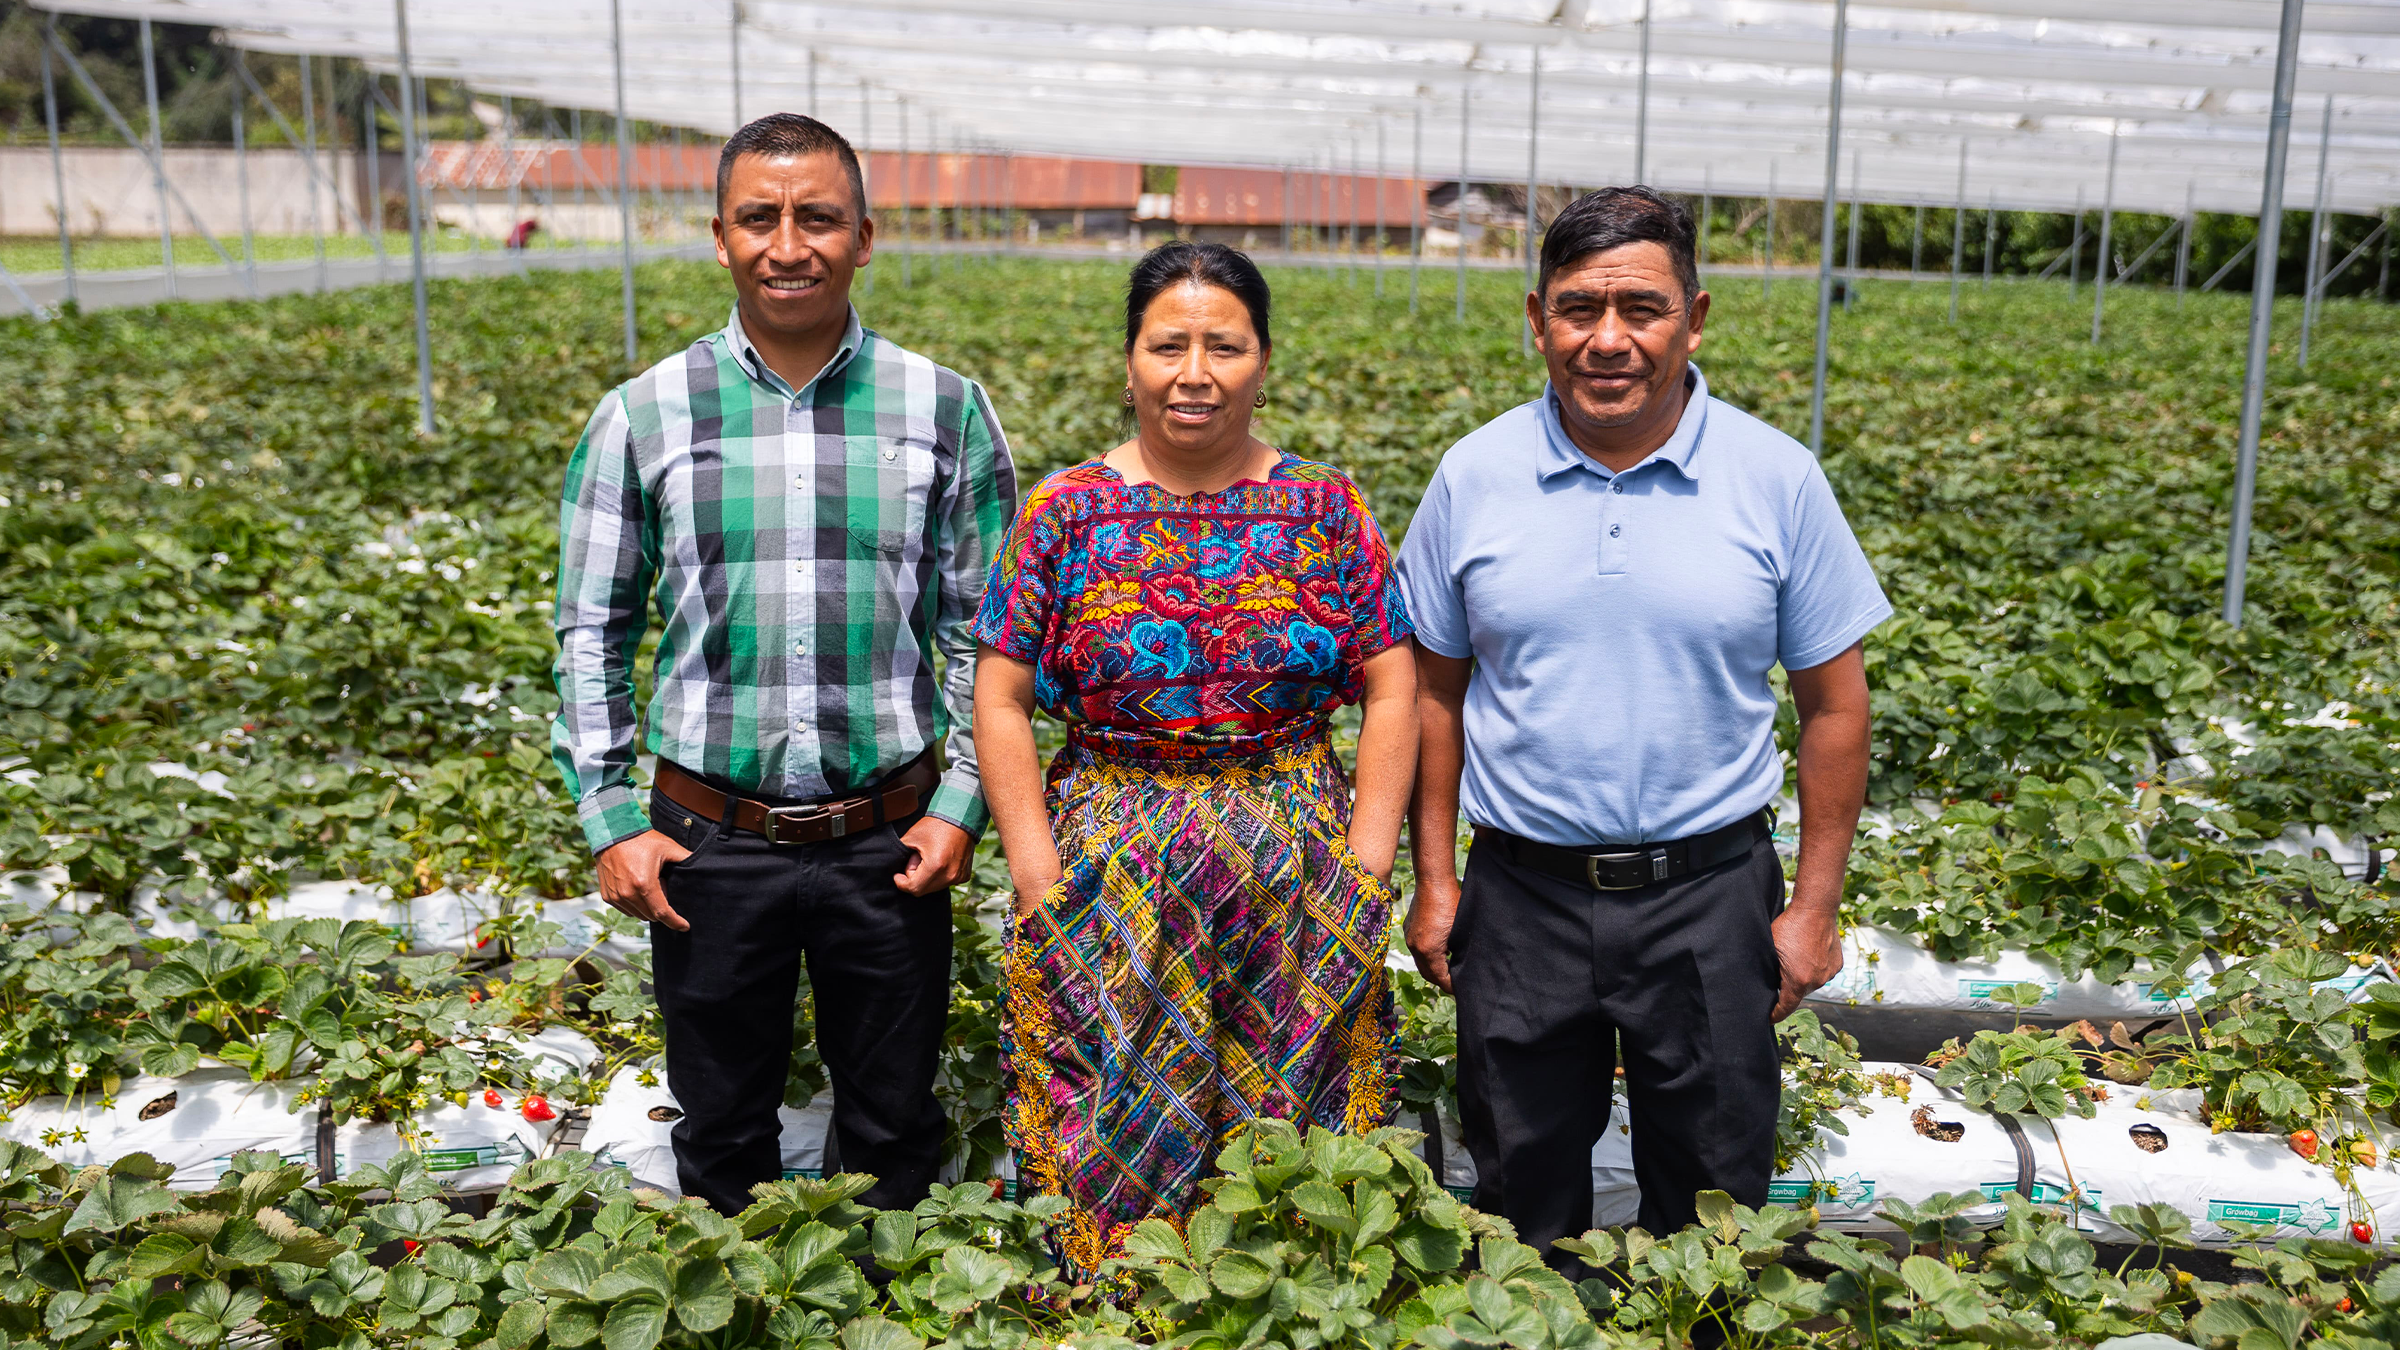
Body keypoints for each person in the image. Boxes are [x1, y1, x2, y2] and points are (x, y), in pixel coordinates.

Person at [1394, 188, 1887, 1258]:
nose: (1607, 339)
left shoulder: (1776, 479)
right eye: (1579, 309)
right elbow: (1432, 690)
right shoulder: (1474, 476)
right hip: (1521, 896)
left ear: (1694, 318)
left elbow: (1834, 708)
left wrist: (1811, 908)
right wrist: (1437, 885)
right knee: (1519, 1195)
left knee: (1712, 1197)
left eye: (1641, 309)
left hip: (1708, 898)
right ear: (1538, 320)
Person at [551, 113, 1018, 1215]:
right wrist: (611, 817)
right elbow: (590, 631)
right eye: (760, 218)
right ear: (720, 237)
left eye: (817, 217)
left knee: (895, 1128)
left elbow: (985, 630)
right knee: (718, 1134)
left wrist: (958, 803)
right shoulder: (644, 414)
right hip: (707, 839)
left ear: (866, 235)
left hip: (889, 838)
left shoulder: (944, 408)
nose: (788, 243)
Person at [973, 242, 1417, 1271]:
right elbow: (1001, 696)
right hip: (1111, 868)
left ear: (1263, 361)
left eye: (1225, 345)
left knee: (1293, 1145)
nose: (1195, 372)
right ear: (1128, 361)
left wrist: (1369, 863)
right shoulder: (1065, 512)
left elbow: (1392, 683)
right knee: (1113, 1130)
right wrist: (1039, 878)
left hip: (1298, 867)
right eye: (1168, 345)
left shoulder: (1327, 512)